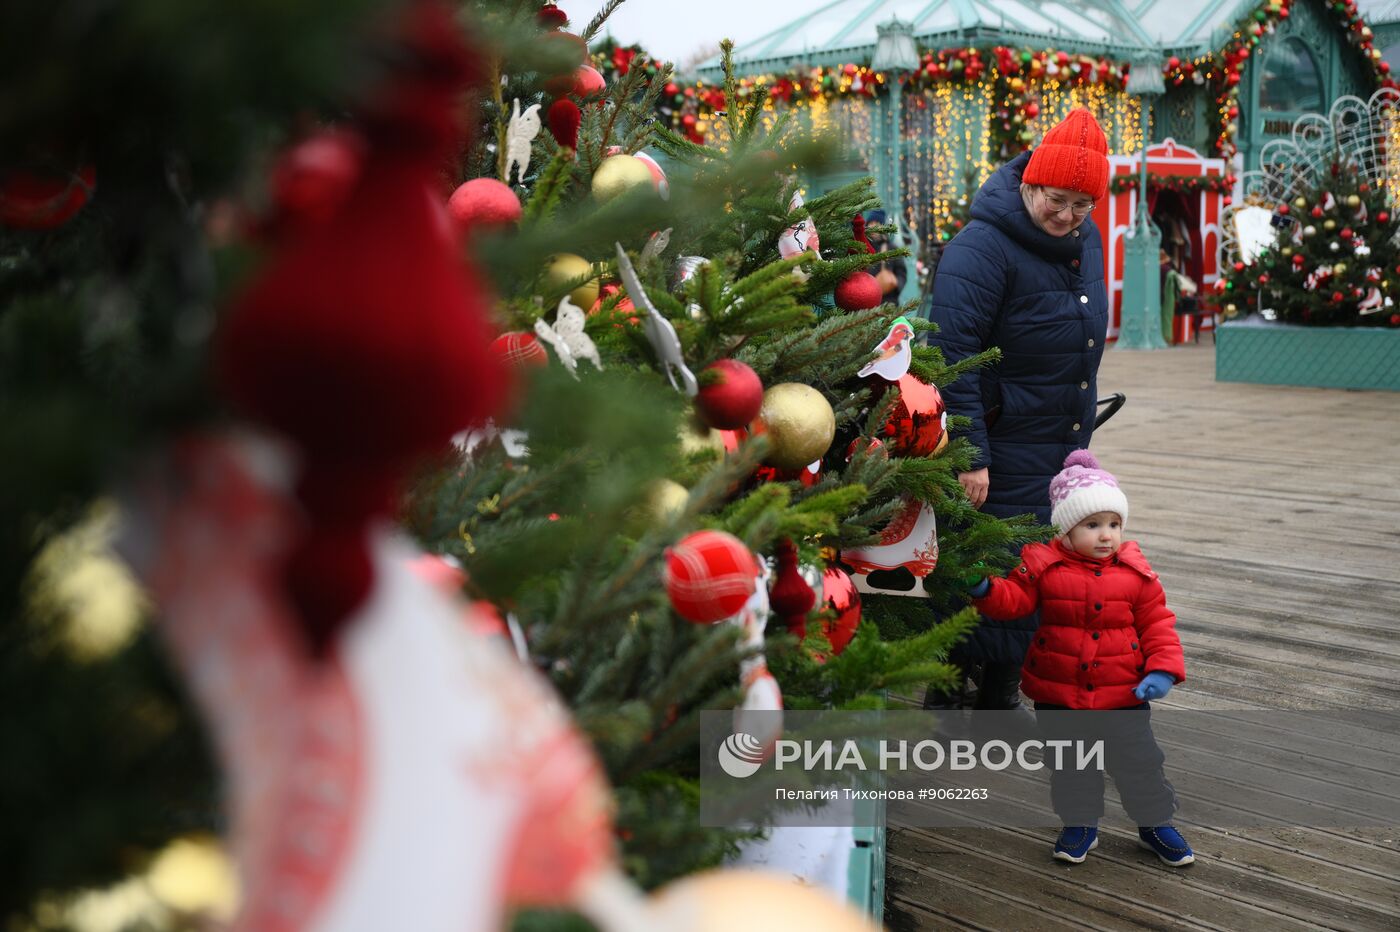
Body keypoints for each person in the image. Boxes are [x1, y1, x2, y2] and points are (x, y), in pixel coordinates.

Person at [926, 108, 1111, 712]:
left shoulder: (1087, 241)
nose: (1067, 216)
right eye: (1056, 199)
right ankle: (949, 696)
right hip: (999, 443)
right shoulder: (981, 248)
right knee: (983, 561)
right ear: (1030, 183)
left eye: (1082, 205)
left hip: (1056, 441)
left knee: (1038, 565)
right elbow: (953, 355)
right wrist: (971, 454)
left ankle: (1001, 691)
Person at [967, 450, 1194, 867]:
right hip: (1060, 693)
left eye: (1113, 524)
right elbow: (1014, 601)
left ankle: (1155, 823)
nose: (1106, 535)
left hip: (1123, 693)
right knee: (1071, 766)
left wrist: (1162, 669)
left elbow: (1158, 624)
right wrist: (985, 589)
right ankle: (1080, 823)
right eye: (1092, 525)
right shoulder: (1044, 566)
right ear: (1066, 531)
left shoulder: (1136, 574)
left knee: (1139, 763)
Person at [865, 209, 907, 303]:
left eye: (877, 223)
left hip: (888, 302)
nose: (873, 227)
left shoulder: (892, 249)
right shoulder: (862, 247)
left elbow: (901, 273)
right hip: (865, 303)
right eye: (870, 223)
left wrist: (895, 282)